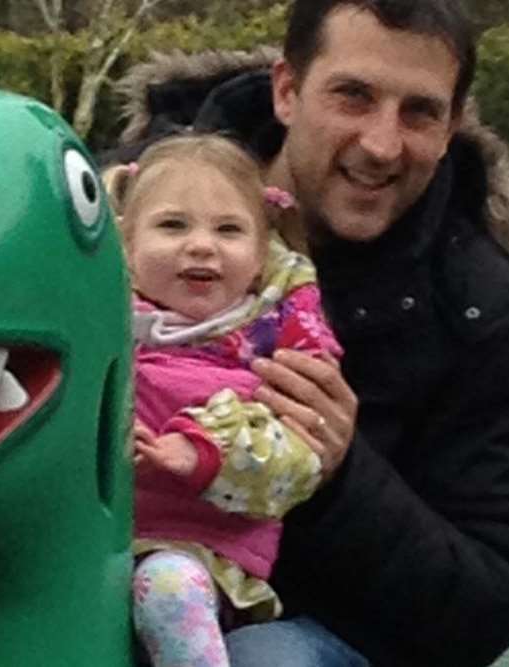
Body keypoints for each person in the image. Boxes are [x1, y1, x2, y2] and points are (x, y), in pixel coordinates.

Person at [103, 1, 509, 665]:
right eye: (354, 96)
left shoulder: (485, 310)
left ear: (450, 128)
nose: (382, 144)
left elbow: (496, 596)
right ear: (288, 90)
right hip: (87, 568)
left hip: (305, 627)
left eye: (419, 112)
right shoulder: (102, 207)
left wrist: (341, 477)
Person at [106, 134, 343, 667]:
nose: (201, 245)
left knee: (167, 586)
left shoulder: (270, 348)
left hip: (199, 558)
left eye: (228, 230)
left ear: (260, 256)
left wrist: (200, 452)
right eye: (173, 225)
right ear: (126, 244)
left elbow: (297, 462)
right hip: (93, 547)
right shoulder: (101, 327)